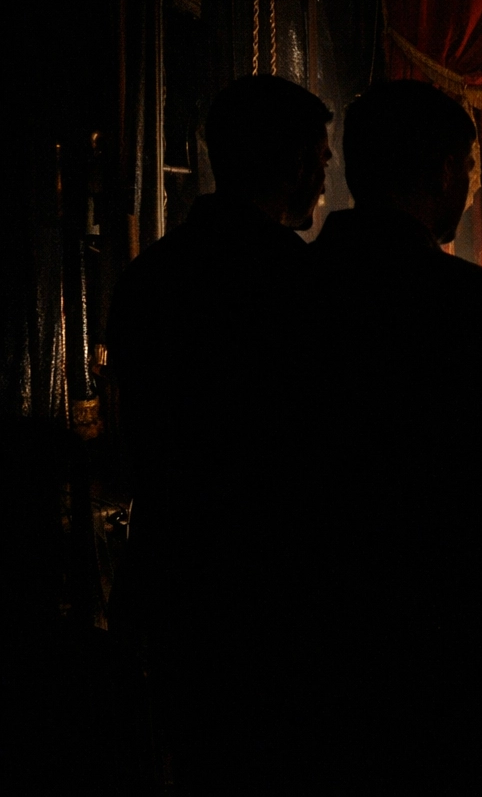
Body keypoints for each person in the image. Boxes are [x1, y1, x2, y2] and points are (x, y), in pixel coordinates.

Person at [310, 80, 482, 792]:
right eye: (470, 170)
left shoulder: (275, 296)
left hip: (310, 644)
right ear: (441, 174)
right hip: (460, 653)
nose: (470, 188)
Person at [105, 74, 333, 791]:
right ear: (296, 163)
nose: (327, 176)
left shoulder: (150, 276)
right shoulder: (307, 286)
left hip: (173, 576)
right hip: (279, 595)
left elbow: (135, 438)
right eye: (323, 160)